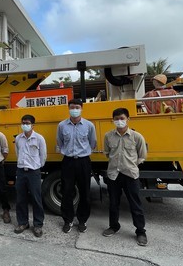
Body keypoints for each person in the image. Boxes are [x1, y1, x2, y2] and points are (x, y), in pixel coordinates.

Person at [103, 107, 148, 246]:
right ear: (113, 120)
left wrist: (131, 165)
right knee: (113, 203)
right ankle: (114, 226)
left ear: (128, 119)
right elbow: (107, 153)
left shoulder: (137, 136)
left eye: (122, 118)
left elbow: (142, 156)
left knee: (135, 204)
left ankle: (140, 231)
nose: (119, 121)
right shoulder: (108, 136)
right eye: (116, 119)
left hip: (130, 175)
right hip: (114, 175)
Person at [57, 98, 97, 233]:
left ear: (81, 108)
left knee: (85, 192)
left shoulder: (89, 125)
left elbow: (92, 143)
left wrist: (82, 153)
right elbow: (60, 142)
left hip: (83, 161)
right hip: (68, 161)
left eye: (77, 107)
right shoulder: (62, 125)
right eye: (72, 107)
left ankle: (82, 220)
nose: (75, 110)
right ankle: (67, 220)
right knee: (67, 191)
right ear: (68, 109)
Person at [14, 114, 47, 238]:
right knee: (20, 198)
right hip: (21, 171)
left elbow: (43, 156)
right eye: (23, 123)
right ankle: (23, 223)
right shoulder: (18, 138)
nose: (25, 125)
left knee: (36, 199)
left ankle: (38, 224)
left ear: (33, 125)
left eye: (27, 123)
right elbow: (18, 153)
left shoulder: (39, 138)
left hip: (34, 172)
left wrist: (36, 167)